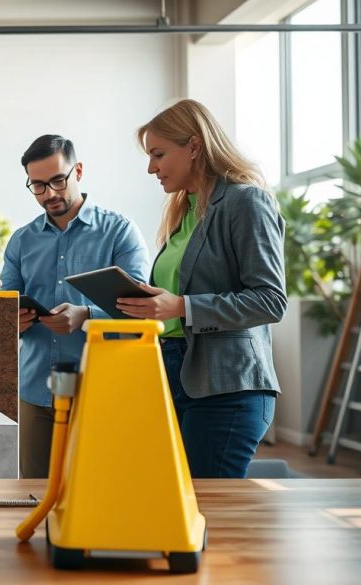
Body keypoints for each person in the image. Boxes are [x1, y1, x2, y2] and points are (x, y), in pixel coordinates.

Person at [117, 99, 286, 478]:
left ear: (194, 146)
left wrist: (182, 307)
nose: (151, 167)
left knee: (207, 509)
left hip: (229, 387)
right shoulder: (184, 211)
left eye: (158, 154)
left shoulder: (246, 202)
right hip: (176, 378)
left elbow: (270, 300)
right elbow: (175, 301)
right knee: (176, 508)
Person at [1, 134, 150, 479]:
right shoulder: (21, 240)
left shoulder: (120, 232)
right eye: (37, 186)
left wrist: (85, 316)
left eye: (57, 180)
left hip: (100, 389)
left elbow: (140, 309)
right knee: (33, 493)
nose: (49, 194)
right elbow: (5, 306)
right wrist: (14, 319)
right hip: (35, 389)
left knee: (97, 488)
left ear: (78, 171)